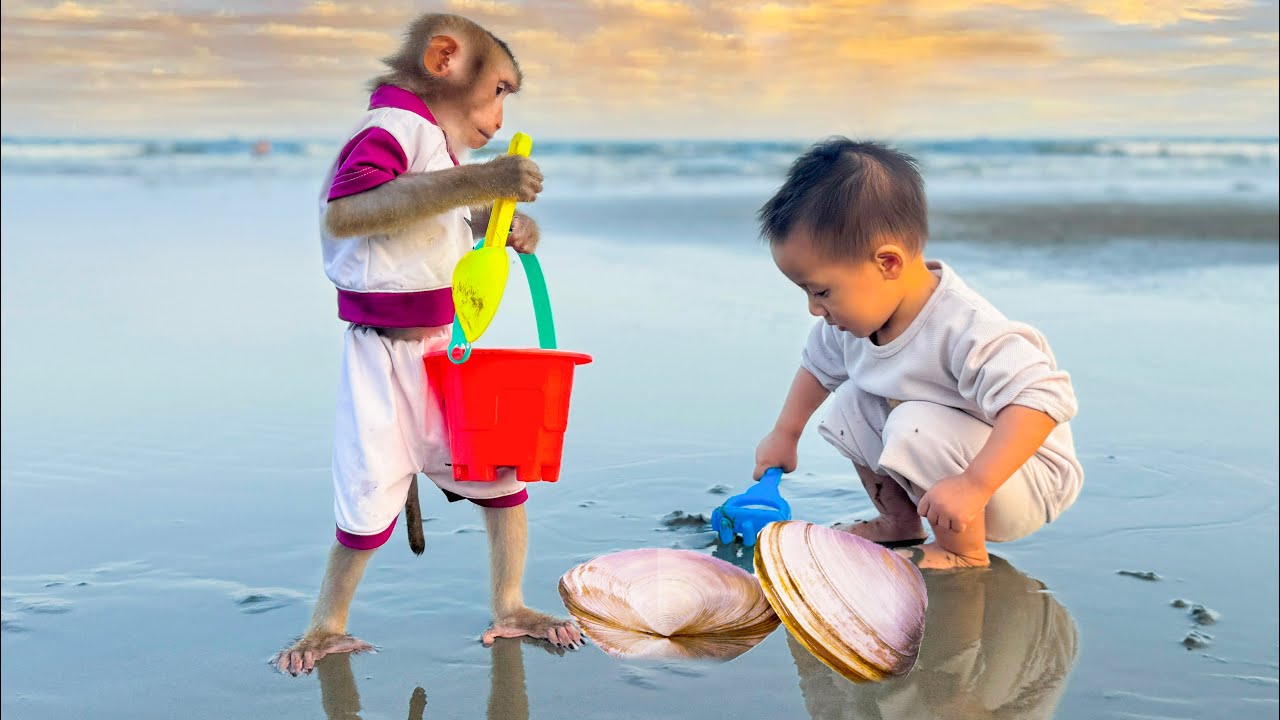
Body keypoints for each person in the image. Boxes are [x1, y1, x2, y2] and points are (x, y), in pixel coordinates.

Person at [753, 138, 1083, 570]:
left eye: (821, 291)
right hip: (954, 471)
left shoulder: (963, 326)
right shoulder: (850, 326)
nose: (815, 308)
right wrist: (786, 434)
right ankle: (899, 521)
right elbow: (817, 370)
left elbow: (1044, 400)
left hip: (1022, 477)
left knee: (912, 424)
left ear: (888, 263)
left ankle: (963, 552)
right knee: (852, 401)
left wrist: (975, 483)